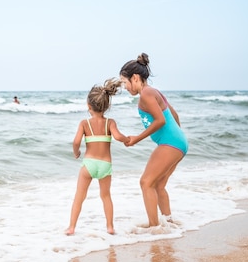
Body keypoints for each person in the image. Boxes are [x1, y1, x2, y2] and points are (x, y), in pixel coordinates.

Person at [119, 52, 188, 228]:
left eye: (124, 83)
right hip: (178, 143)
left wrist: (136, 139)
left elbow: (160, 120)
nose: (125, 87)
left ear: (134, 78)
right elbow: (174, 114)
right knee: (158, 185)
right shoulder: (154, 92)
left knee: (146, 182)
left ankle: (154, 228)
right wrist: (179, 137)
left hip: (170, 143)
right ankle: (169, 223)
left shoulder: (146, 94)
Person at [66, 79, 129, 236]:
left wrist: (76, 153)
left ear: (88, 106)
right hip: (105, 165)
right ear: (106, 106)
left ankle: (72, 227)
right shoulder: (110, 122)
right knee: (106, 196)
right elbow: (118, 136)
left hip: (89, 164)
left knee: (79, 197)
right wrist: (127, 139)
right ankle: (110, 227)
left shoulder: (84, 123)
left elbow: (75, 142)